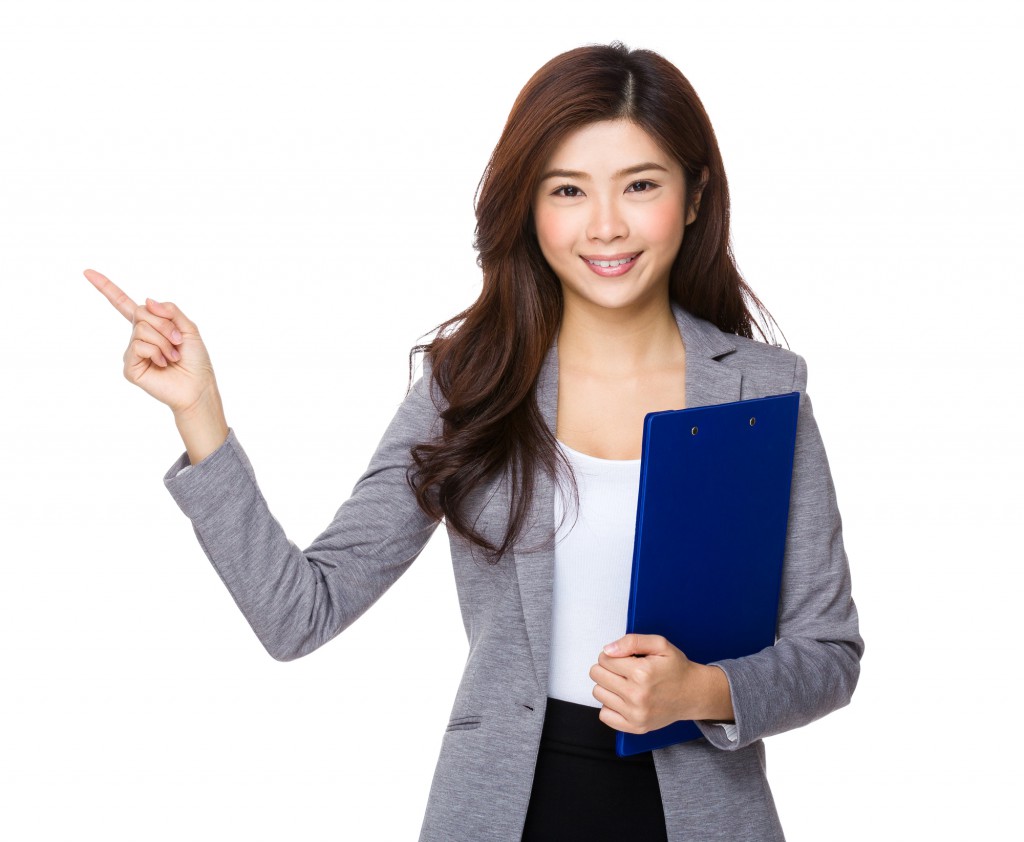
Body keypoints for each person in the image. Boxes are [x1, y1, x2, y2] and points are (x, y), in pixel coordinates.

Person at [87, 42, 862, 842]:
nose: (605, 225)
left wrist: (702, 691)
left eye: (640, 185)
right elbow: (300, 614)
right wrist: (201, 416)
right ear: (529, 206)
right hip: (506, 809)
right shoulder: (473, 386)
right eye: (568, 189)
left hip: (702, 816)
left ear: (694, 196)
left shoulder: (762, 392)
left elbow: (828, 652)